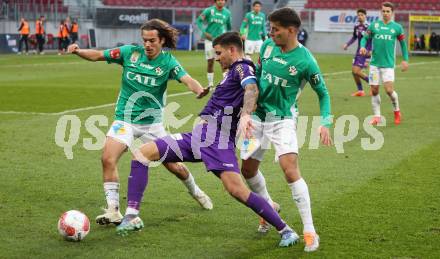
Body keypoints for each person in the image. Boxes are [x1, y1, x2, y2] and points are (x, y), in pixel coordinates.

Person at [116, 31, 300, 248]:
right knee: (142, 154)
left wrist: (247, 114)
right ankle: (132, 215)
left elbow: (251, 89)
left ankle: (286, 230)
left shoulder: (242, 67)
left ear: (232, 50)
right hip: (199, 136)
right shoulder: (234, 69)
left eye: (219, 53)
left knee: (237, 190)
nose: (216, 58)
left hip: (218, 140)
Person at [67, 19, 214, 226]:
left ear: (162, 40)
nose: (147, 44)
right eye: (145, 40)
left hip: (152, 125)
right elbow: (99, 55)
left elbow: (187, 79)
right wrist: (78, 51)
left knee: (174, 167)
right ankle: (113, 210)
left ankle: (196, 191)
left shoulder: (168, 62)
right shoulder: (129, 53)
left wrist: (200, 90)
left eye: (152, 40)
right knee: (108, 158)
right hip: (125, 119)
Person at [239, 7, 332, 252]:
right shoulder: (267, 47)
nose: (271, 33)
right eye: (270, 28)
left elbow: (323, 93)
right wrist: (247, 111)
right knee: (247, 169)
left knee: (289, 170)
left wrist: (325, 122)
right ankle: (269, 205)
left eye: (275, 29)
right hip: (258, 117)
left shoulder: (306, 61)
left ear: (291, 31)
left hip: (283, 119)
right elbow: (257, 76)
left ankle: (310, 230)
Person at [360, 2, 409, 125]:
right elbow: (365, 38)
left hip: (388, 65)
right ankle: (377, 116)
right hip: (374, 65)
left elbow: (403, 45)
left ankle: (396, 111)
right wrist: (362, 47)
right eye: (384, 11)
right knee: (375, 90)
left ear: (392, 13)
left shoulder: (397, 27)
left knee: (389, 90)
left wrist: (405, 59)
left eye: (388, 11)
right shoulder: (374, 25)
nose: (385, 13)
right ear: (381, 12)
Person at [196, 0, 232, 88]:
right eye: (219, 0)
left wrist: (227, 35)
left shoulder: (227, 13)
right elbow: (199, 21)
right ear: (216, 1)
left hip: (221, 41)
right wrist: (204, 32)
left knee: (223, 61)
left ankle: (225, 82)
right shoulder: (209, 10)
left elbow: (229, 26)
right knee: (210, 61)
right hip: (209, 41)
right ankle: (210, 84)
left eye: (223, 0)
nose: (221, 2)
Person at [343, 8, 371, 97]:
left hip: (365, 52)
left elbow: (371, 40)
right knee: (353, 72)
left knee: (356, 71)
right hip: (358, 51)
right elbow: (354, 37)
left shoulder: (369, 26)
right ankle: (360, 91)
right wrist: (347, 44)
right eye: (358, 15)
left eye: (362, 15)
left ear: (365, 16)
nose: (360, 16)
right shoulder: (356, 26)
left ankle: (373, 83)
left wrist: (368, 54)